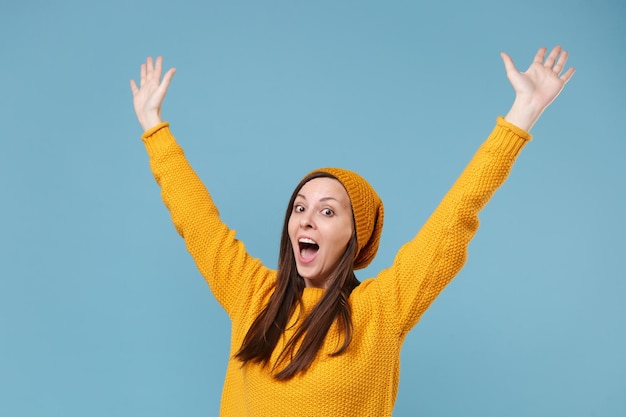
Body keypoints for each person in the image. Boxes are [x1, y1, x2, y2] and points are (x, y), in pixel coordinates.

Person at [130, 46, 574, 416]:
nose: (306, 219)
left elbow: (455, 217)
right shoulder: (252, 295)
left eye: (327, 212)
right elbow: (196, 219)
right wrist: (153, 125)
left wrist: (522, 114)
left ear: (354, 235)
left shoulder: (382, 310)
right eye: (300, 207)